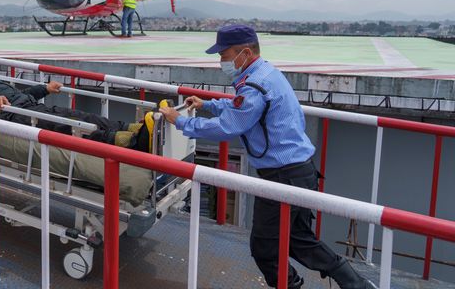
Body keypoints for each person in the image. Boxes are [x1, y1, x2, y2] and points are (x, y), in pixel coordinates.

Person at [159, 25, 374, 289]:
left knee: (264, 247)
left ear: (245, 53)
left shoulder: (254, 85)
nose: (221, 62)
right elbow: (241, 107)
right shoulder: (265, 73)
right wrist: (208, 105)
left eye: (225, 55)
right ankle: (357, 284)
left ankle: (295, 285)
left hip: (283, 177)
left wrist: (180, 121)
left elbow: (230, 126)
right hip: (299, 172)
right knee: (298, 239)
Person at [0, 50, 147, 149]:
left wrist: (44, 89)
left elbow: (16, 94)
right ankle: (126, 141)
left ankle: (132, 128)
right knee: (67, 127)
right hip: (13, 116)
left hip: (25, 105)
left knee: (77, 115)